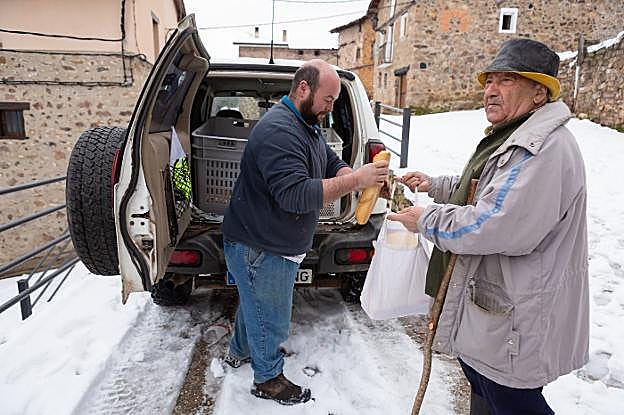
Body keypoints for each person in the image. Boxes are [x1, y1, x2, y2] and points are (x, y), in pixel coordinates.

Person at [388, 39, 589, 415]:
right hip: (499, 306)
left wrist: (426, 219)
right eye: (489, 81)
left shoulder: (543, 149)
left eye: (506, 81)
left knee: (512, 401)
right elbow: (487, 190)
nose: (491, 91)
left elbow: (495, 224)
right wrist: (436, 185)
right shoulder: (514, 137)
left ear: (539, 93)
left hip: (519, 312)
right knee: (485, 390)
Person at [221, 59, 389, 405]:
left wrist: (352, 176)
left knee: (254, 305)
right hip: (260, 246)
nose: (330, 109)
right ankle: (267, 380)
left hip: (269, 240)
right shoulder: (278, 132)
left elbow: (326, 158)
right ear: (303, 88)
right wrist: (356, 180)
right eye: (328, 100)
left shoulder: (304, 123)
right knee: (271, 318)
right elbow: (295, 195)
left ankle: (238, 352)